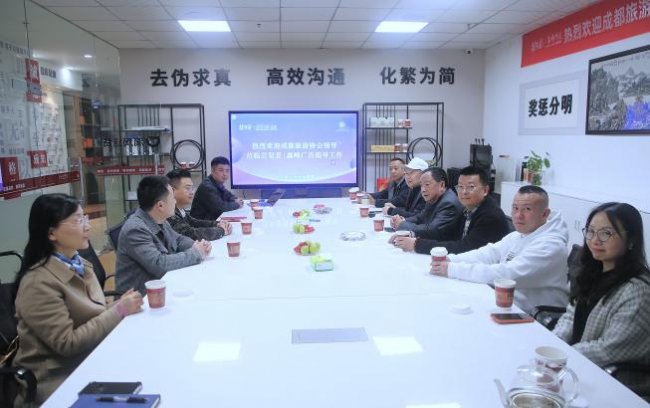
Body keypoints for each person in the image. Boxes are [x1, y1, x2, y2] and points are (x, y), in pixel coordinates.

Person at [12, 194, 143, 404]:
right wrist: (119, 310)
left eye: (85, 218)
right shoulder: (37, 282)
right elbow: (67, 344)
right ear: (51, 233)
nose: (87, 226)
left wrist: (119, 306)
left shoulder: (80, 264)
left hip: (93, 358)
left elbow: (95, 313)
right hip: (58, 380)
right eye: (78, 220)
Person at [553, 203, 650, 397]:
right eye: (590, 231)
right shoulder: (593, 271)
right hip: (577, 367)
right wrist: (554, 345)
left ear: (631, 240)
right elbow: (570, 316)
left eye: (606, 233)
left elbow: (610, 350)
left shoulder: (638, 290)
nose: (595, 240)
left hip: (614, 383)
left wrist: (563, 355)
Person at [431, 185, 569, 314]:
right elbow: (487, 254)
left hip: (536, 318)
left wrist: (452, 269)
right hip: (507, 306)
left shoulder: (551, 246)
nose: (518, 215)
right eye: (515, 208)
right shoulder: (519, 235)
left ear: (545, 214)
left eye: (527, 209)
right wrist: (449, 259)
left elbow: (507, 274)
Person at [116, 176, 211, 294]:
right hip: (141, 297)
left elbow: (178, 239)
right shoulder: (135, 229)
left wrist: (196, 245)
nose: (175, 201)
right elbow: (160, 265)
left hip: (163, 285)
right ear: (160, 205)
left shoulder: (158, 218)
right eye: (173, 198)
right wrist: (196, 253)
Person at [394, 166, 510, 254]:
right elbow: (448, 235)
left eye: (470, 187)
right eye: (460, 187)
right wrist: (410, 234)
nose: (464, 192)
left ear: (485, 190)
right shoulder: (468, 208)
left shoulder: (490, 216)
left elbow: (465, 247)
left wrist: (417, 244)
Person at [389, 167, 463, 241]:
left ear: (442, 185)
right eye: (421, 185)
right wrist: (403, 220)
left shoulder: (448, 203)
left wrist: (402, 224)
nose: (423, 190)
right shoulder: (434, 197)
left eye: (427, 184)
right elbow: (421, 217)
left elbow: (432, 230)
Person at [166, 168, 233, 241]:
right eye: (188, 188)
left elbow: (193, 222)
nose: (192, 192)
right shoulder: (168, 212)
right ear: (172, 190)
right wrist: (221, 230)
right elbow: (190, 234)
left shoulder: (179, 209)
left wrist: (217, 224)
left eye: (192, 188)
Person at [190, 156, 243, 220]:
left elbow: (229, 196)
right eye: (221, 170)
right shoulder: (207, 187)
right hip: (201, 223)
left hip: (212, 221)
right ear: (213, 171)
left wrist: (235, 200)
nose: (225, 174)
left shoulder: (217, 183)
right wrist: (237, 204)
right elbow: (220, 208)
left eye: (227, 170)